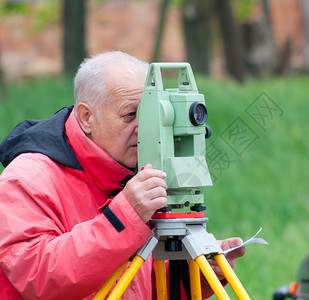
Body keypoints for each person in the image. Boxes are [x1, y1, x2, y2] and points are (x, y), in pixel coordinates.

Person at [0, 51, 246, 299]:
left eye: (151, 115)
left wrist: (197, 276)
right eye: (131, 115)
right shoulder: (27, 180)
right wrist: (124, 217)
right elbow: (38, 277)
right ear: (87, 117)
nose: (146, 128)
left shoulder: (130, 173)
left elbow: (142, 285)